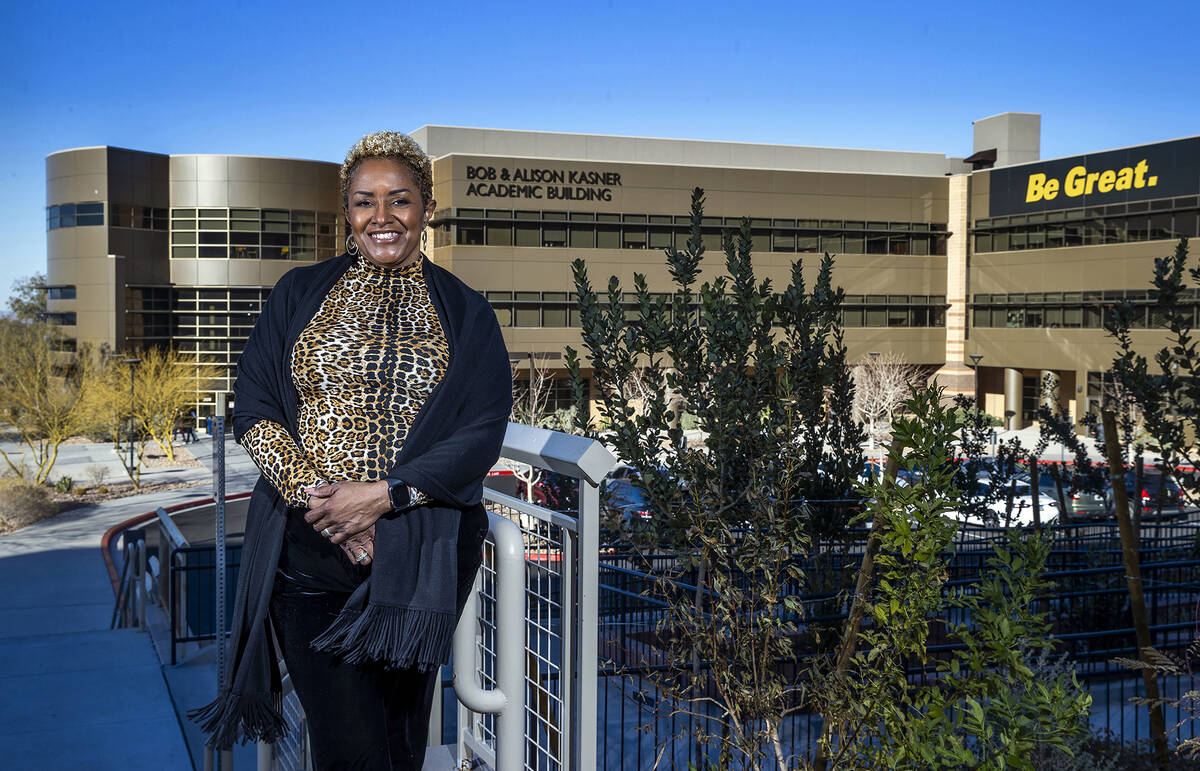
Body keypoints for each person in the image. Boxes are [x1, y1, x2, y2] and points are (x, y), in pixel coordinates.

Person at [192, 131, 513, 770]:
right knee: (350, 750)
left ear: (425, 207)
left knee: (400, 740)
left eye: (400, 200)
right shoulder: (298, 293)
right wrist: (329, 511)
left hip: (420, 552)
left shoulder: (466, 312)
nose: (382, 217)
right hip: (309, 551)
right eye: (365, 201)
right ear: (347, 212)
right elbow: (254, 409)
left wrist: (385, 499)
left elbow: (480, 428)